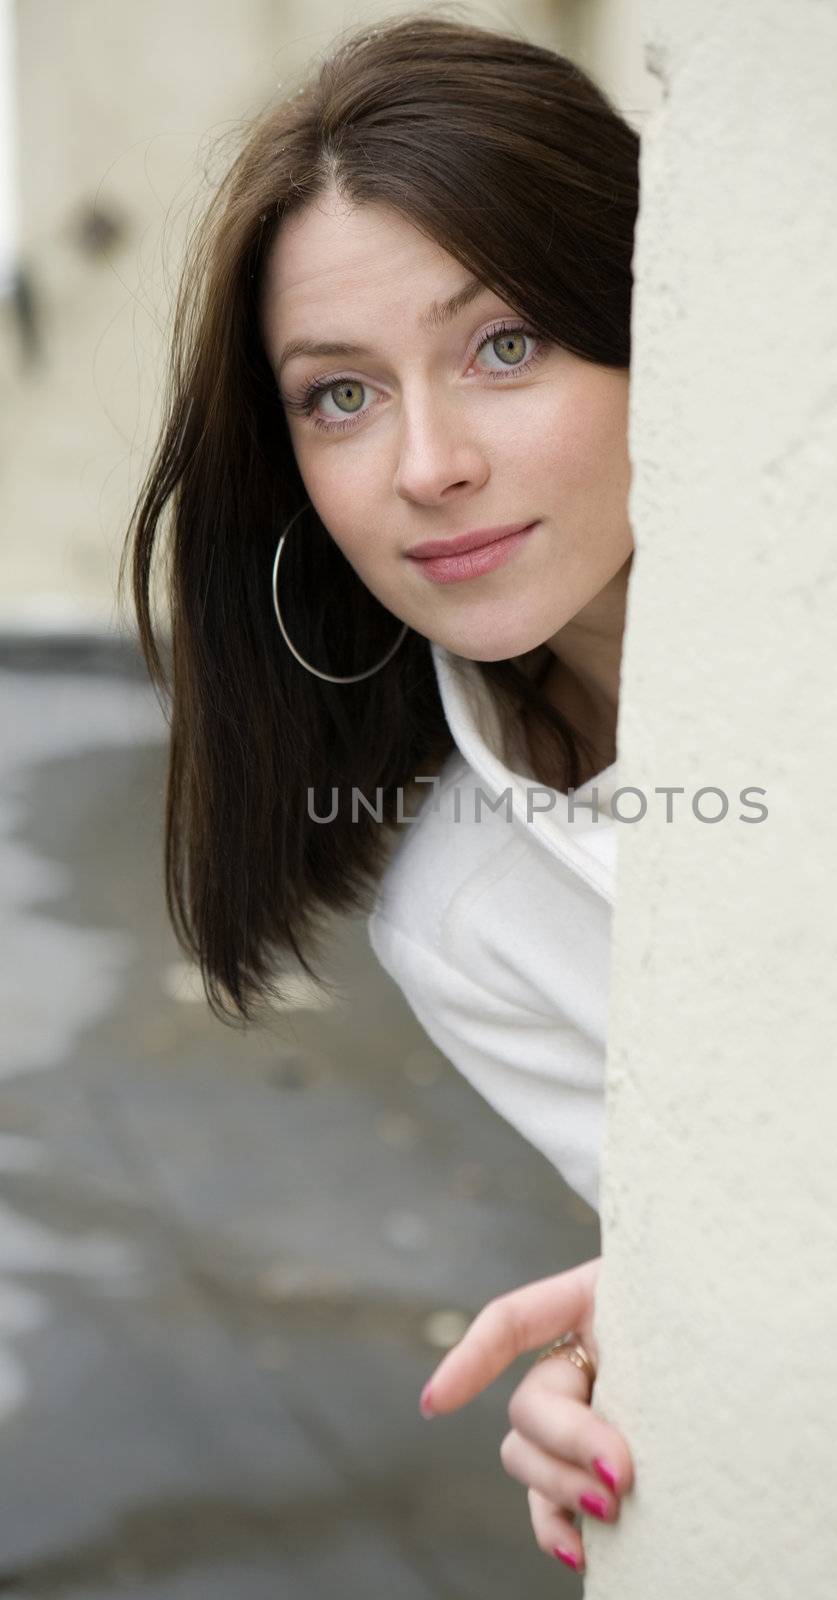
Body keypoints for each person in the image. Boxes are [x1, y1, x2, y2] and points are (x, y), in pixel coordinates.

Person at [121, 9, 637, 1576]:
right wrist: (640, 1355)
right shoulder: (457, 908)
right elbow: (722, 1229)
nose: (428, 465)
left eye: (503, 346)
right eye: (340, 395)